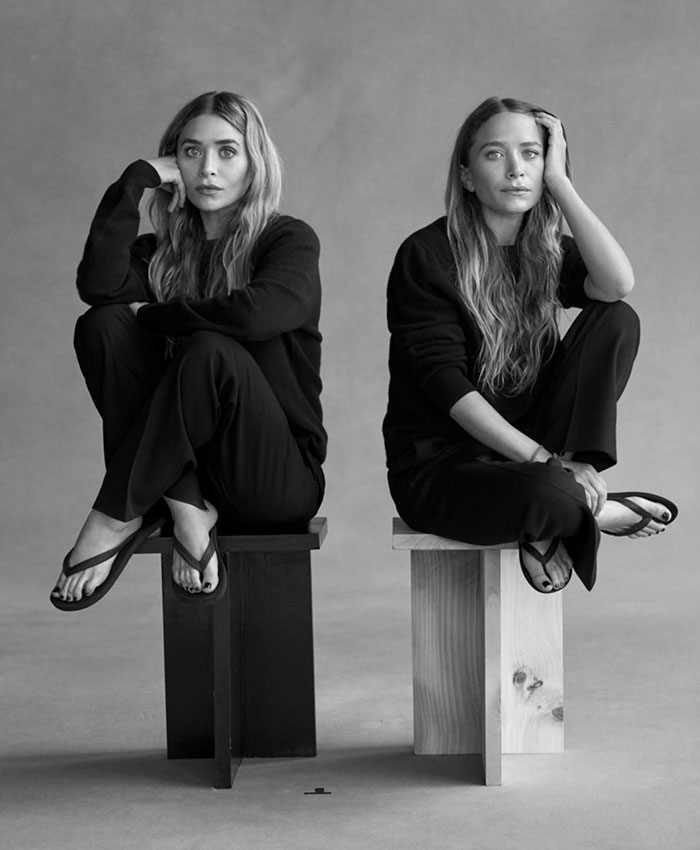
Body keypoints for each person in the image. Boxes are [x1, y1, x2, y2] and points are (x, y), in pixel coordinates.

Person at [383, 96, 677, 593]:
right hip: (443, 467)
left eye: (531, 154)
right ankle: (590, 507)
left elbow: (617, 285)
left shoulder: (547, 251)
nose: (516, 169)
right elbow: (445, 384)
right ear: (467, 176)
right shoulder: (425, 255)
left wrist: (560, 183)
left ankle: (570, 487)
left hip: (537, 454)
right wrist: (542, 460)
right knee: (548, 494)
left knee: (617, 318)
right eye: (495, 154)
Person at [51, 91, 326, 610]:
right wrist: (133, 181)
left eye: (227, 151)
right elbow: (98, 288)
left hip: (273, 478)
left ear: (254, 163)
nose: (208, 168)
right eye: (191, 151)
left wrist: (155, 316)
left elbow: (258, 315)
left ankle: (113, 515)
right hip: (186, 473)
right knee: (102, 324)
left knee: (210, 350)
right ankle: (186, 506)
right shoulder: (156, 254)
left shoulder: (287, 240)